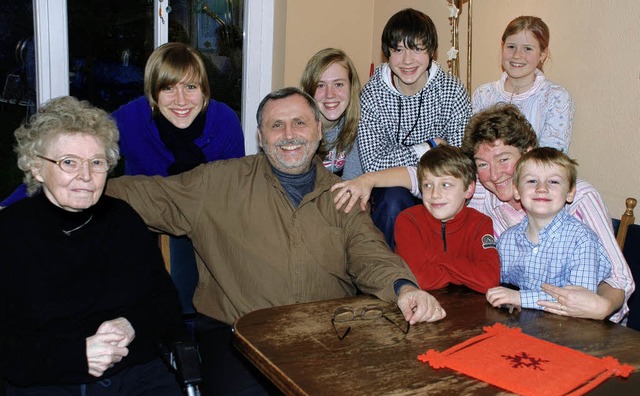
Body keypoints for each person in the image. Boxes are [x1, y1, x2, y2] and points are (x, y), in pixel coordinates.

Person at [105, 87, 446, 395]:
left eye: (299, 123)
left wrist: (404, 287)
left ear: (317, 131)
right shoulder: (218, 183)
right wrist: (79, 179)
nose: (289, 135)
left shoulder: (340, 194)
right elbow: (144, 195)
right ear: (260, 135)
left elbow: (371, 254)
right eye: (276, 125)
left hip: (328, 336)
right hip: (236, 338)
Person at [331, 104, 634, 323]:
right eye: (483, 164)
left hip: (590, 320)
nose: (495, 174)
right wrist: (367, 179)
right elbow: (424, 176)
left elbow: (619, 277)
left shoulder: (576, 196)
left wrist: (602, 306)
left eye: (504, 159)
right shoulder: (483, 194)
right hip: (528, 316)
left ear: (528, 153)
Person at [0, 96, 183, 395]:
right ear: (36, 168)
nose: (85, 176)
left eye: (97, 162)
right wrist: (75, 356)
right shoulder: (9, 234)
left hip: (136, 377)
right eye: (68, 162)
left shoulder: (124, 221)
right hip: (49, 382)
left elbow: (166, 307)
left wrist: (130, 324)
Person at [112, 42, 245, 315]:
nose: (181, 100)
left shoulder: (224, 120)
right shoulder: (132, 117)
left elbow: (236, 192)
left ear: (205, 91)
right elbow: (74, 156)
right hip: (145, 229)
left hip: (206, 228)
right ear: (153, 93)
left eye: (191, 87)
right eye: (168, 88)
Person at [357, 8, 472, 250]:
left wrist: (414, 170)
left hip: (441, 188)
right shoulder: (373, 94)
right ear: (387, 53)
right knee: (392, 198)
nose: (407, 61)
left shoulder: (452, 91)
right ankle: (388, 275)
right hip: (391, 193)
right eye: (398, 50)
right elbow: (372, 165)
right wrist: (428, 147)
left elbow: (460, 161)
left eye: (417, 49)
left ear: (432, 51)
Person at [487, 147, 612, 311]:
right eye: (532, 181)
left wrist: (519, 297)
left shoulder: (581, 240)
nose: (541, 188)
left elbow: (578, 302)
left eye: (553, 182)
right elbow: (499, 283)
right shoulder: (507, 240)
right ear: (517, 191)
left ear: (570, 193)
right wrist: (508, 298)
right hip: (526, 325)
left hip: (572, 329)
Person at [395, 145, 500, 294]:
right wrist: (466, 273)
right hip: (419, 309)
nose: (435, 194)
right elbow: (418, 279)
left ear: (468, 189)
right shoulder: (409, 220)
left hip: (469, 310)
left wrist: (436, 259)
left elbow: (489, 280)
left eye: (445, 185)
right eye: (427, 185)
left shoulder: (480, 223)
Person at [472, 16, 575, 152]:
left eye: (527, 49)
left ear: (543, 54)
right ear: (502, 47)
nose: (517, 55)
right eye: (511, 47)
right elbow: (473, 147)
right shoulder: (483, 94)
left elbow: (551, 156)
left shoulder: (555, 97)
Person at [300, 48, 363, 179]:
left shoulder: (361, 124)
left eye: (338, 84)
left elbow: (351, 182)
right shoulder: (297, 129)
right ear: (309, 91)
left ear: (351, 87)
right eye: (320, 85)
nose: (330, 94)